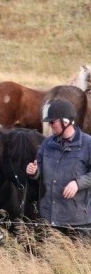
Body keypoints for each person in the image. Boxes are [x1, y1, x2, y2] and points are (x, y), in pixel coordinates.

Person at [26, 99, 91, 238]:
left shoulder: (88, 144)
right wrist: (34, 172)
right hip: (50, 220)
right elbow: (40, 171)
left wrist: (78, 183)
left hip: (78, 222)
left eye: (52, 122)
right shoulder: (46, 143)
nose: (49, 126)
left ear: (65, 122)